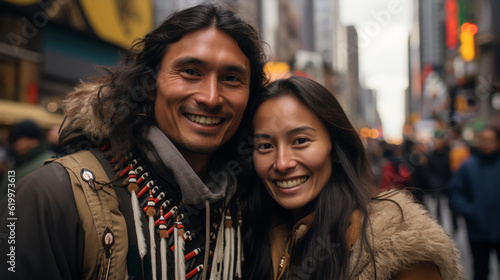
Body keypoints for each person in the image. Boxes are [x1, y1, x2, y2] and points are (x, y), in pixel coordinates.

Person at [0, 3, 267, 280]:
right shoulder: (52, 194)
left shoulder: (250, 199)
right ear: (149, 85)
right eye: (190, 71)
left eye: (231, 78)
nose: (211, 97)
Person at [242, 76, 464, 279]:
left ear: (337, 150)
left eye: (300, 141)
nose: (282, 163)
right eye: (265, 145)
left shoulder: (399, 253)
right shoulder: (248, 239)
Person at [448, 126, 500, 280]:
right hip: (477, 231)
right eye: (483, 140)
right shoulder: (467, 166)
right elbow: (455, 192)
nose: (486, 144)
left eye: (490, 140)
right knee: (480, 271)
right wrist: (471, 211)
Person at [0, 120, 54, 200]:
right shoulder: (17, 161)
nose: (15, 144)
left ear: (33, 140)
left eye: (18, 139)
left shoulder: (47, 162)